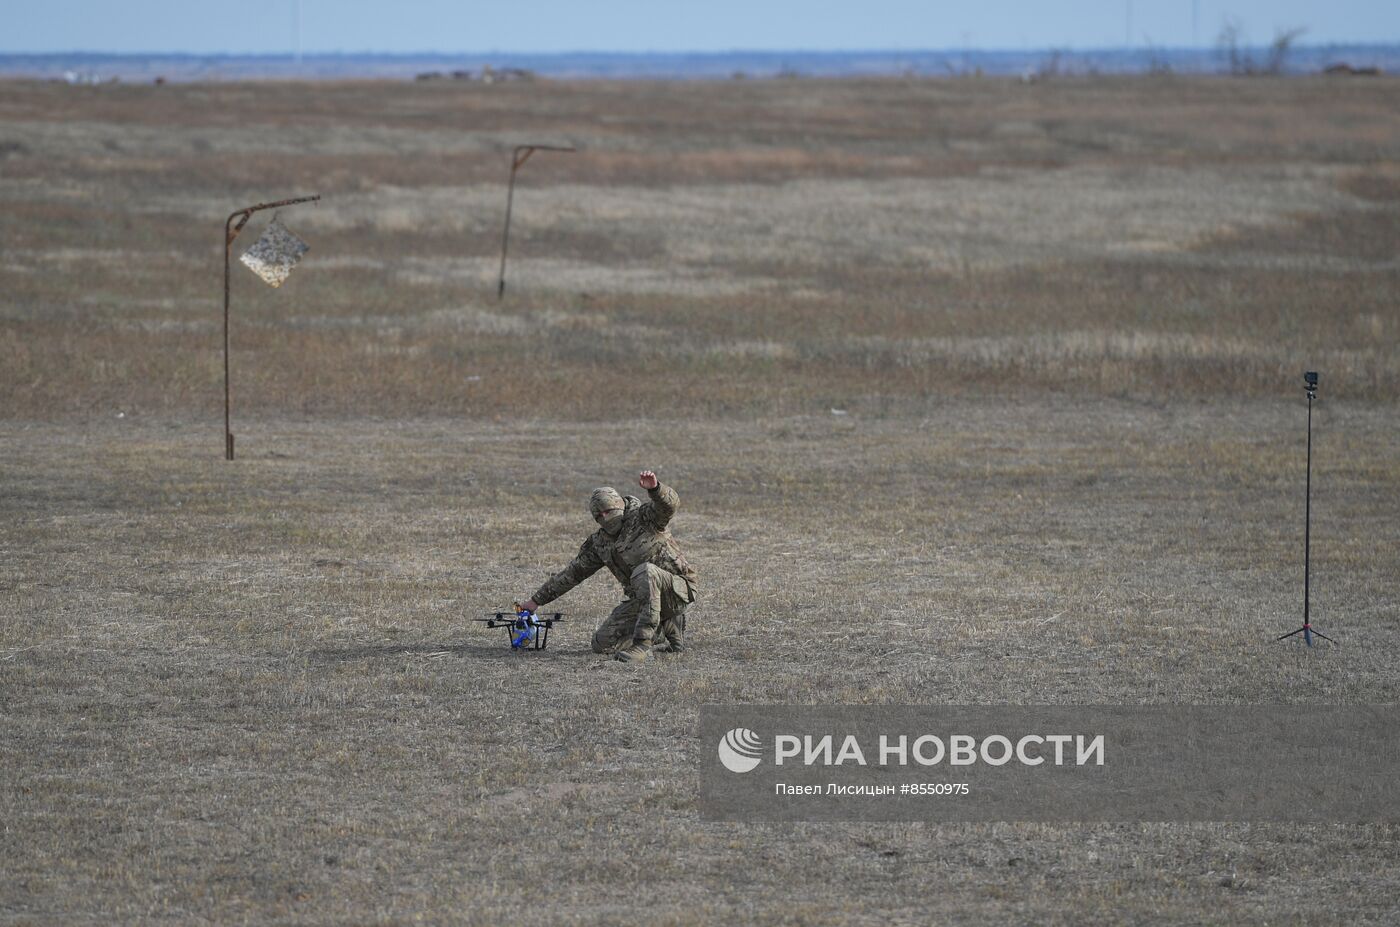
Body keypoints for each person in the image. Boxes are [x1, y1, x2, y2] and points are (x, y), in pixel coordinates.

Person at [520, 471, 697, 663]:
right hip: (644, 599)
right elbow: (573, 573)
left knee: (645, 571)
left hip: (677, 591)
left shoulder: (645, 518)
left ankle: (642, 644)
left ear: (619, 504)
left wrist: (655, 489)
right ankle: (667, 626)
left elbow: (670, 506)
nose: (605, 517)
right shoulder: (600, 543)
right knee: (602, 643)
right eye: (599, 515)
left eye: (608, 510)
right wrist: (536, 601)